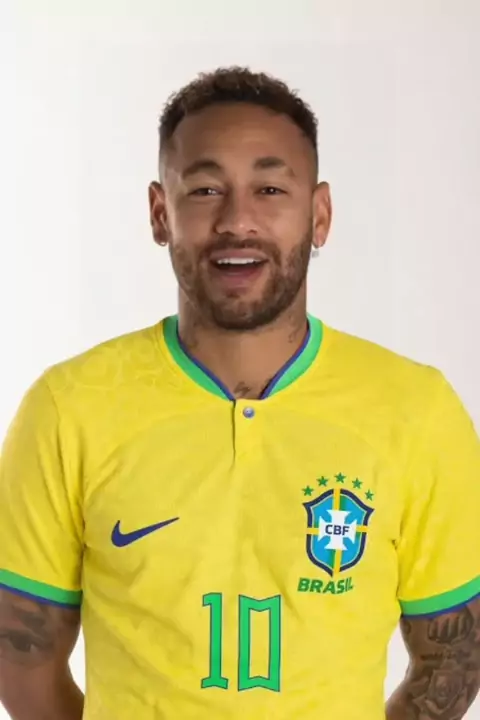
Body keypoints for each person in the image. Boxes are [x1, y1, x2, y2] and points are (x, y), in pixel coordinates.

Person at [0, 66, 479, 720]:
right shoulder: (68, 408)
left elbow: (452, 659)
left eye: (270, 188)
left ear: (319, 215)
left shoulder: (416, 410)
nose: (237, 220)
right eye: (204, 190)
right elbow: (21, 658)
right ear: (160, 213)